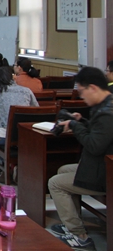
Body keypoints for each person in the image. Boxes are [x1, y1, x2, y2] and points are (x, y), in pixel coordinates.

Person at [48, 67, 113, 250]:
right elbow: (102, 134)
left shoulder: (107, 113)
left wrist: (75, 126)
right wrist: (82, 121)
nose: (82, 97)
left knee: (55, 183)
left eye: (82, 92)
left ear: (93, 88)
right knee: (63, 170)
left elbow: (94, 146)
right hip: (102, 164)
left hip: (105, 172)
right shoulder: (107, 104)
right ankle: (74, 222)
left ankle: (79, 235)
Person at [0, 66, 38, 146]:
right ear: (13, 76)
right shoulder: (27, 91)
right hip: (23, 133)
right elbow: (36, 108)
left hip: (3, 135)